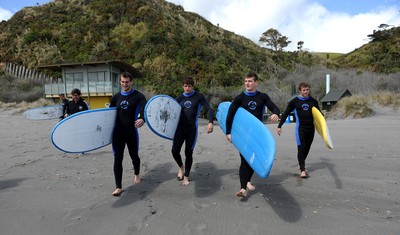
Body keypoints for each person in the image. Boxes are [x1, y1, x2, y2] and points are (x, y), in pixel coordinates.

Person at [225, 73, 280, 197]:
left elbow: (275, 108)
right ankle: (243, 188)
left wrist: (276, 114)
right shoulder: (239, 98)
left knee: (253, 159)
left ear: (256, 82)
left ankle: (247, 181)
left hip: (257, 134)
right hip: (243, 134)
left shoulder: (263, 97)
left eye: (250, 81)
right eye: (245, 81)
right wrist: (228, 132)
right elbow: (230, 115)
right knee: (245, 160)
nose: (247, 83)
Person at [109, 71, 147, 196]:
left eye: (127, 82)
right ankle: (118, 186)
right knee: (117, 159)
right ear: (120, 82)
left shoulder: (138, 96)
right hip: (118, 133)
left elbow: (144, 110)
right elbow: (108, 116)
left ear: (131, 82)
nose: (124, 84)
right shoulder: (115, 98)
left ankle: (136, 174)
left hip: (131, 132)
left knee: (134, 156)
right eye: (122, 82)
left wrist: (142, 118)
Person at [172, 76, 214, 186]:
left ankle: (186, 176)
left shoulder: (198, 96)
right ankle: (181, 167)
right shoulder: (180, 98)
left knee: (188, 152)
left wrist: (210, 122)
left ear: (192, 86)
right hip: (179, 129)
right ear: (182, 86)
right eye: (185, 86)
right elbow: (170, 110)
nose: (187, 88)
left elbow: (208, 108)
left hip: (192, 129)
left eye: (189, 86)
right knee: (175, 151)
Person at [277, 82, 321, 178]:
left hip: (311, 128)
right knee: (301, 147)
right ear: (299, 91)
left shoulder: (313, 101)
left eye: (307, 90)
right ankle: (302, 170)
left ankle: (301, 163)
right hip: (300, 128)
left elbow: (319, 114)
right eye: (304, 90)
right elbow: (285, 113)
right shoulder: (295, 101)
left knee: (307, 148)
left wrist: (323, 127)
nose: (306, 92)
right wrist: (280, 126)